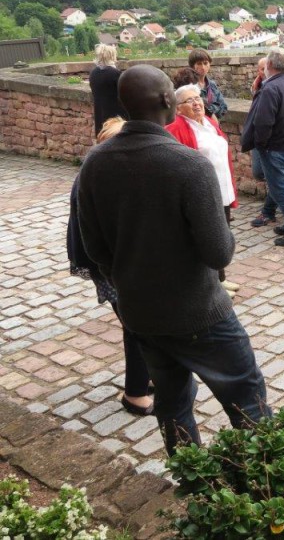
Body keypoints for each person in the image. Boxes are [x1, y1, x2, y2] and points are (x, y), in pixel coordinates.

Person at [76, 64, 270, 455]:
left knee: (173, 404)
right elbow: (219, 252)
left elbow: (95, 249)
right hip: (200, 312)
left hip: (141, 313)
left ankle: (193, 480)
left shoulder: (95, 162)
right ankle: (267, 483)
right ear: (168, 101)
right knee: (248, 399)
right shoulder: (188, 165)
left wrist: (132, 278)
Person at [67, 116, 153, 417]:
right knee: (137, 327)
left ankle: (146, 377)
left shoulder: (108, 174)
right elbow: (96, 238)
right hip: (110, 269)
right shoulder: (94, 179)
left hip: (119, 267)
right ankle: (135, 394)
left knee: (139, 325)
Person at [166, 75, 242, 293]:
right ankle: (211, 286)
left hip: (222, 189)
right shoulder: (176, 129)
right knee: (207, 239)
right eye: (189, 101)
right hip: (203, 194)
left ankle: (220, 278)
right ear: (178, 108)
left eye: (197, 98)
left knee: (222, 237)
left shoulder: (208, 123)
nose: (196, 103)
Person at [241, 47, 284, 246]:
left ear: (269, 65)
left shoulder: (270, 88)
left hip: (274, 147)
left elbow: (263, 122)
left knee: (280, 189)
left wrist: (261, 146)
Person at [88, 44, 126, 135]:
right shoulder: (115, 74)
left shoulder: (93, 73)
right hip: (115, 118)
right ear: (112, 55)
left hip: (100, 114)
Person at [189, 48, 227, 121]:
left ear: (209, 64)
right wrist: (214, 109)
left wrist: (209, 110)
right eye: (199, 64)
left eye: (205, 63)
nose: (203, 67)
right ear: (192, 66)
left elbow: (224, 107)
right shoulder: (190, 87)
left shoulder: (212, 85)